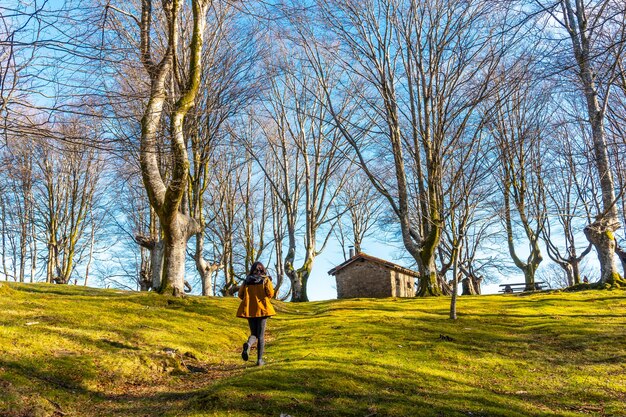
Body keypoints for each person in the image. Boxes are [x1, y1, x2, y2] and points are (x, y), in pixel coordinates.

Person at [236, 261, 276, 366]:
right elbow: (270, 294)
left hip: (250, 310)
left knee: (254, 334)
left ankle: (248, 345)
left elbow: (240, 294)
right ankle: (259, 360)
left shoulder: (246, 281)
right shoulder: (265, 279)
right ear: (262, 270)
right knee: (261, 336)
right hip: (262, 310)